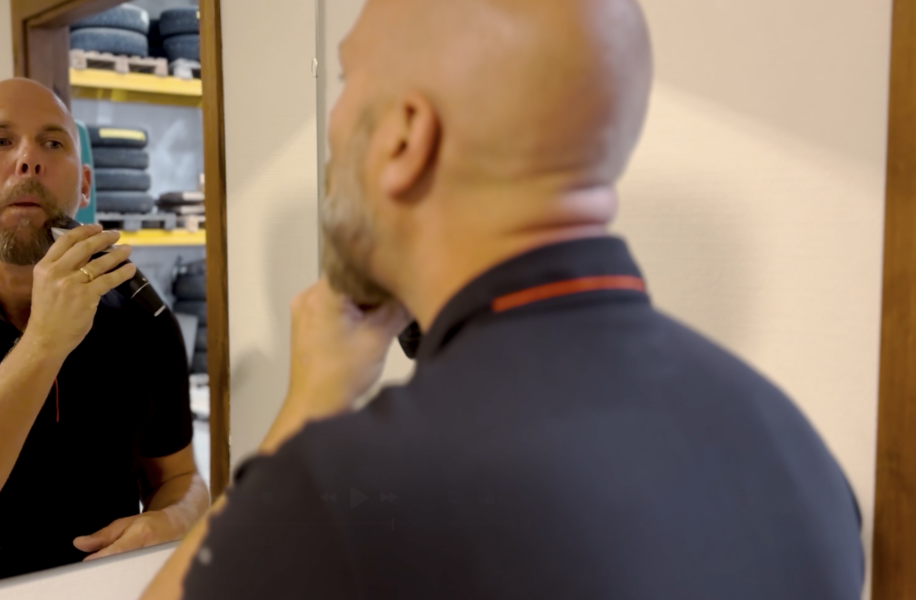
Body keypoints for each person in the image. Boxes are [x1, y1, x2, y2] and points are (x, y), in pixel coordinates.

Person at [139, 0, 865, 598]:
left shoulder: (348, 500)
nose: (333, 124)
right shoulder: (796, 454)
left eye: (348, 78)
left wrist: (306, 412)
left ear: (404, 138)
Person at [0, 78, 209, 595]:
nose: (28, 160)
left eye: (52, 143)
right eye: (0, 141)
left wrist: (174, 520)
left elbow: (181, 479)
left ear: (84, 185)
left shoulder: (143, 322)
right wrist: (43, 343)